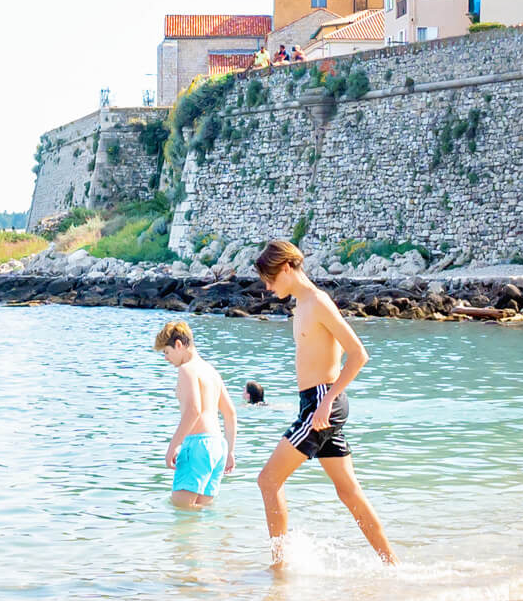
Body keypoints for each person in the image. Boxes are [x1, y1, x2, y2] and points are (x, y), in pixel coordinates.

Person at [252, 239, 396, 564]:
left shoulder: (317, 302)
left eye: (270, 278)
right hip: (315, 403)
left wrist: (327, 401)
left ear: (287, 268)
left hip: (322, 402)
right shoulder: (300, 305)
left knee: (268, 480)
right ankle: (392, 565)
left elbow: (358, 353)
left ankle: (280, 566)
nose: (267, 285)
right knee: (348, 492)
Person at [153, 321, 237, 509]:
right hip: (218, 447)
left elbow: (193, 411)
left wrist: (172, 447)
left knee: (182, 513)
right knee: (201, 514)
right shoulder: (211, 371)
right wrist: (230, 451)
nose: (166, 358)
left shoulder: (187, 369)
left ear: (179, 345)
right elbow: (230, 413)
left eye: (166, 352)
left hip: (198, 446)